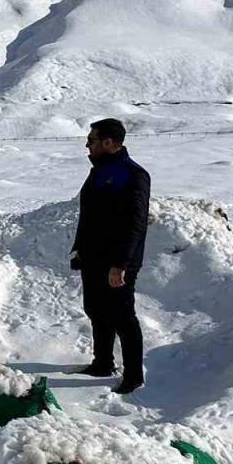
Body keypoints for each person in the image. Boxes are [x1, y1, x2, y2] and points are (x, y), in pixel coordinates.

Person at [70, 118, 151, 394]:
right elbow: (90, 215)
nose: (87, 146)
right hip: (93, 257)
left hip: (117, 262)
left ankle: (133, 376)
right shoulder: (99, 171)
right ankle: (103, 363)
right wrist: (79, 248)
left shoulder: (133, 174)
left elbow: (136, 224)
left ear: (108, 142)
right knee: (96, 310)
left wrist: (121, 264)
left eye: (91, 140)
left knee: (122, 316)